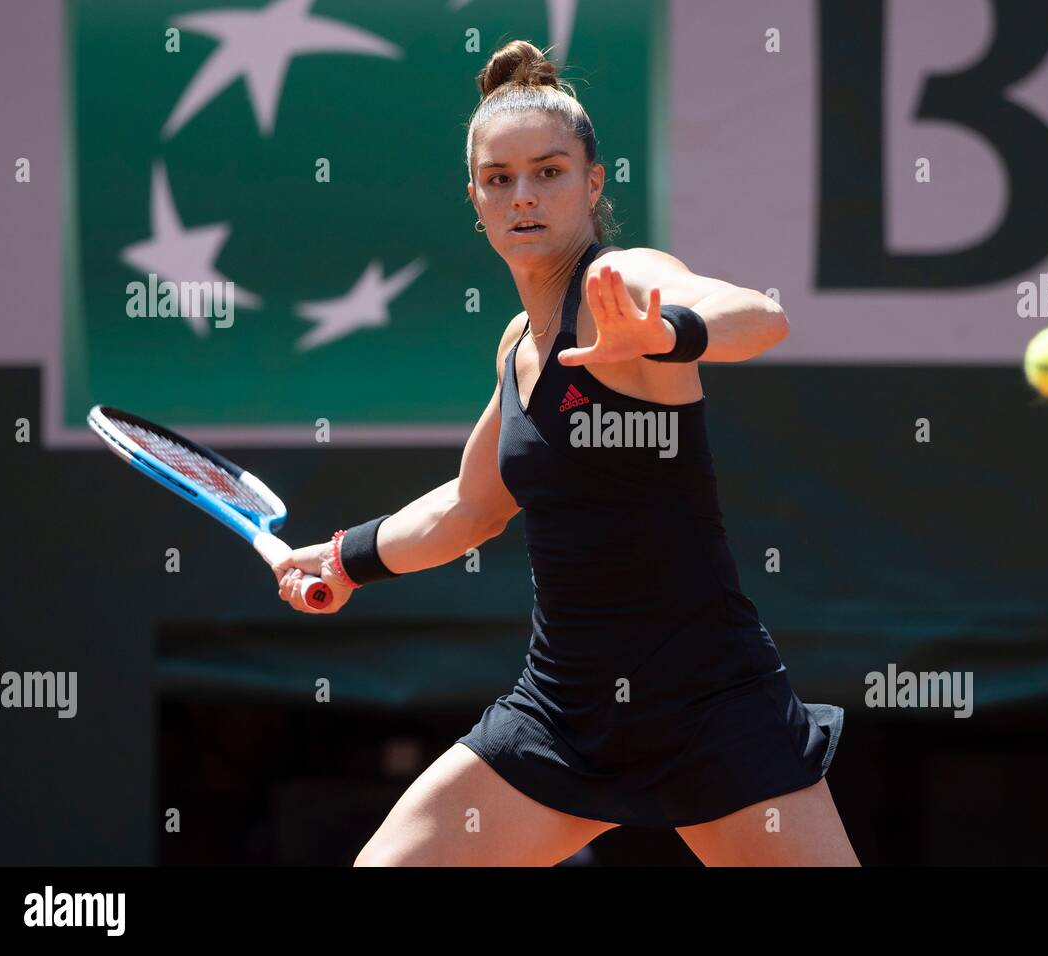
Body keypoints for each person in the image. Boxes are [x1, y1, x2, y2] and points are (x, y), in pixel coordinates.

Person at [273, 40, 860, 867]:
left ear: (593, 183)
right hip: (561, 715)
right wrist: (343, 557)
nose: (523, 195)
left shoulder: (619, 280)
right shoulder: (519, 343)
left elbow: (760, 315)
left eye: (549, 172)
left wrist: (665, 333)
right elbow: (468, 509)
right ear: (473, 198)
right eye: (498, 178)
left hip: (711, 711)